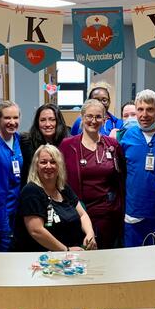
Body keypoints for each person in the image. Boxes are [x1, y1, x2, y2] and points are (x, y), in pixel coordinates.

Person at [60, 99, 125, 249]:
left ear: (104, 119)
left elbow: (121, 179)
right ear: (82, 118)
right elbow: (60, 180)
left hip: (106, 216)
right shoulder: (67, 145)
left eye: (98, 117)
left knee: (104, 259)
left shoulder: (113, 145)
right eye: (89, 116)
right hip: (76, 213)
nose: (93, 121)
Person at [14, 144, 97, 252]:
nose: (48, 166)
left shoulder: (63, 188)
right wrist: (66, 250)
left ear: (59, 165)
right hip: (43, 259)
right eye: (43, 162)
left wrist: (90, 234)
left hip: (73, 255)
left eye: (53, 162)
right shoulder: (31, 192)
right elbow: (36, 230)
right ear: (36, 165)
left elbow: (82, 215)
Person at [120, 89, 155, 247]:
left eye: (150, 109)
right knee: (132, 262)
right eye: (140, 109)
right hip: (134, 211)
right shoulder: (127, 136)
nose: (144, 114)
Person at [0, 100, 23, 251]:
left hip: (15, 206)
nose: (12, 122)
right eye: (7, 118)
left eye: (15, 118)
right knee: (2, 247)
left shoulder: (18, 140)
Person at [20, 103, 70, 186]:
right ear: (37, 123)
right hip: (34, 192)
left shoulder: (68, 143)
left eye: (52, 119)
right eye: (43, 120)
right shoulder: (25, 143)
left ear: (58, 122)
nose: (47, 124)